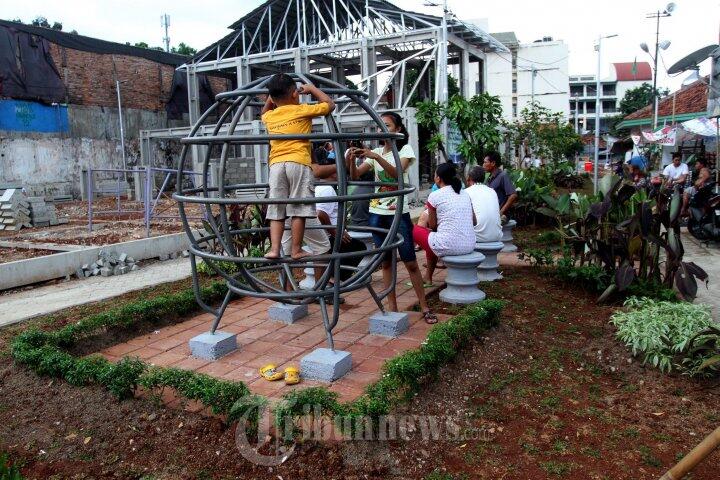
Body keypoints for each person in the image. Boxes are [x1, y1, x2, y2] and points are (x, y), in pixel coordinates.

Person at [350, 112, 436, 324]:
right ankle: (392, 308)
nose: (382, 130)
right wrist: (351, 158)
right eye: (380, 126)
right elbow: (354, 176)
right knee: (386, 263)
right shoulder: (376, 152)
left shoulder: (404, 149)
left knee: (411, 262)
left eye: (387, 125)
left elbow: (398, 172)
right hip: (377, 214)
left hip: (398, 213)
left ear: (398, 129)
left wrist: (376, 157)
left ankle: (424, 306)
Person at [261, 73, 335, 260]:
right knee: (299, 208)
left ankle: (274, 249)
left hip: (276, 165)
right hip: (298, 163)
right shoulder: (302, 110)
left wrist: (271, 97)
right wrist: (311, 89)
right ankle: (296, 249)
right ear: (295, 94)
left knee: (277, 208)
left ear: (272, 97)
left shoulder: (269, 117)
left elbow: (264, 112)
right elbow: (330, 105)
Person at [413, 163, 476, 285]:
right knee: (433, 239)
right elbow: (474, 222)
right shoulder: (465, 194)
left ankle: (411, 269)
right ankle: (428, 277)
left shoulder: (435, 195)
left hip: (449, 245)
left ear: (438, 178)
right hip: (469, 244)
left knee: (410, 229)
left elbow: (433, 226)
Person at [464, 166, 502, 243]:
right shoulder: (492, 191)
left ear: (469, 177)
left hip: (477, 237)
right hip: (497, 235)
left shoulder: (466, 192)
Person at [483, 151, 518, 221]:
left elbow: (513, 195)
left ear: (493, 163)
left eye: (485, 162)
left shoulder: (503, 176)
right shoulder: (490, 177)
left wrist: (501, 211)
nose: (483, 165)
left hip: (501, 217)